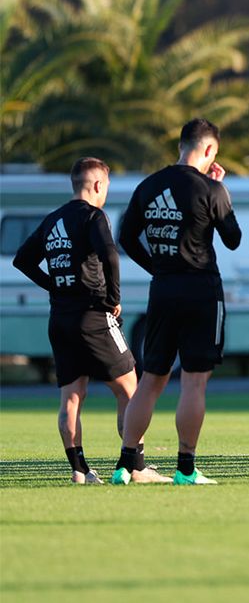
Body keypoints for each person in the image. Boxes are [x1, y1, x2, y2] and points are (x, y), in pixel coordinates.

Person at [12, 158, 170, 484]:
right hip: (93, 315)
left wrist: (53, 285)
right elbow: (110, 254)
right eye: (106, 186)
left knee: (71, 397)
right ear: (98, 185)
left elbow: (22, 260)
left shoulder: (53, 219)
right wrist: (113, 298)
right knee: (130, 390)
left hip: (60, 319)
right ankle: (136, 466)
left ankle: (80, 470)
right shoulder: (93, 216)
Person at [111, 118, 242, 485]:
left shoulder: (149, 185)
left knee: (151, 379)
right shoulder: (210, 188)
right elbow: (233, 239)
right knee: (194, 382)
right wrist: (220, 190)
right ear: (210, 149)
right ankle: (185, 469)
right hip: (201, 291)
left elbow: (127, 238)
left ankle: (126, 464)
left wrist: (158, 266)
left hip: (163, 290)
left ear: (181, 145)